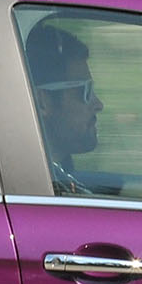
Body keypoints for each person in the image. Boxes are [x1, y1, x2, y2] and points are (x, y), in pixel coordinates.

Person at [22, 17, 105, 194]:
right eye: (85, 91)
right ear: (42, 102)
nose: (98, 104)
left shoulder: (59, 182)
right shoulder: (32, 193)